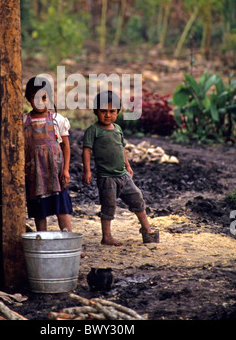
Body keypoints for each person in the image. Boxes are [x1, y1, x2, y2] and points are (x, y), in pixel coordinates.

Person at [82, 90, 159, 246]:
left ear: (118, 111)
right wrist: (87, 170)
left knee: (137, 198)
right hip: (106, 178)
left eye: (112, 111)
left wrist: (127, 164)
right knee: (109, 206)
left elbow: (122, 147)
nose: (108, 115)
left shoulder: (117, 128)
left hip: (123, 175)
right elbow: (86, 150)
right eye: (103, 111)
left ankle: (147, 230)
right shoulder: (93, 130)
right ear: (96, 111)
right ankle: (107, 236)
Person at [24, 76, 72, 232]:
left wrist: (65, 170)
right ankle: (42, 242)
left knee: (62, 208)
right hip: (35, 173)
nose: (39, 102)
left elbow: (65, 146)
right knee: (40, 211)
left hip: (55, 171)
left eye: (43, 98)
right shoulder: (24, 121)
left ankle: (69, 242)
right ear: (28, 99)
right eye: (34, 98)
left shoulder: (58, 119)